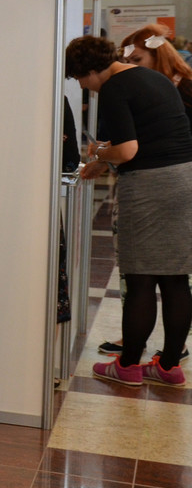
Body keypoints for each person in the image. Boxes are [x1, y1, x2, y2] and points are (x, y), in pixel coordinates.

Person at [68, 35, 192, 389]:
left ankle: (127, 365)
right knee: (175, 278)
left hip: (150, 186)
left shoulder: (114, 88)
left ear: (90, 70)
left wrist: (98, 153)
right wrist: (106, 157)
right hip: (184, 178)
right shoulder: (153, 78)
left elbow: (128, 151)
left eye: (79, 78)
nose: (82, 86)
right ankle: (168, 366)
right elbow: (150, 134)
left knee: (140, 278)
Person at [121, 23, 192, 123]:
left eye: (137, 60)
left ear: (157, 56)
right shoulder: (141, 89)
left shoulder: (186, 89)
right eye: (127, 61)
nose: (130, 66)